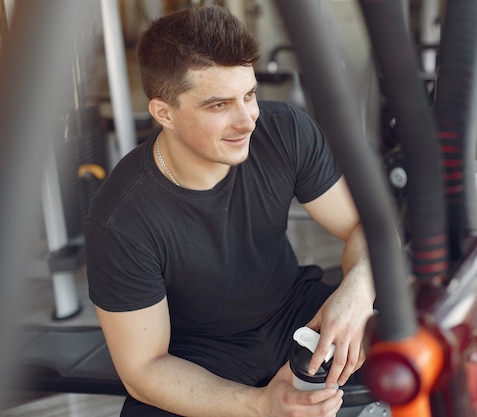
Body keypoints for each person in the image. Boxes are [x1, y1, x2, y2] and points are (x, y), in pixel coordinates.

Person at [84, 5, 375, 417]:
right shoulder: (120, 219)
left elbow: (369, 226)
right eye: (219, 105)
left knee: (419, 356)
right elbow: (143, 368)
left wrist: (358, 291)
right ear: (163, 113)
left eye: (250, 95)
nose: (248, 120)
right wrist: (259, 405)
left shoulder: (285, 132)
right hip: (199, 353)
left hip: (296, 315)